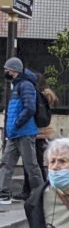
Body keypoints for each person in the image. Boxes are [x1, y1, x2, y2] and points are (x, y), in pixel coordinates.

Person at [0, 57, 43, 204]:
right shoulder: (17, 85)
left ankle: (40, 194)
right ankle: (3, 192)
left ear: (14, 71)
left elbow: (30, 107)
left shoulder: (25, 85)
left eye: (7, 69)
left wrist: (17, 123)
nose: (5, 72)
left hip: (24, 132)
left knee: (30, 165)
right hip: (15, 132)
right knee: (6, 162)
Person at [21, 85, 60, 202]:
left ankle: (33, 190)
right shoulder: (45, 111)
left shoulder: (42, 110)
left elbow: (43, 128)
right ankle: (29, 190)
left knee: (34, 165)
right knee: (35, 164)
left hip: (38, 138)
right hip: (40, 138)